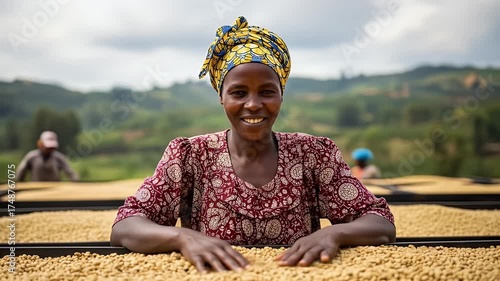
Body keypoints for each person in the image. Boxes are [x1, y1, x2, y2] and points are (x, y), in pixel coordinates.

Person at [111, 16, 395, 273]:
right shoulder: (189, 156)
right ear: (221, 96)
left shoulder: (313, 155)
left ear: (281, 95)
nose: (253, 105)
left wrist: (334, 234)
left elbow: (379, 221)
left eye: (267, 92)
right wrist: (182, 237)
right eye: (239, 92)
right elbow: (126, 224)